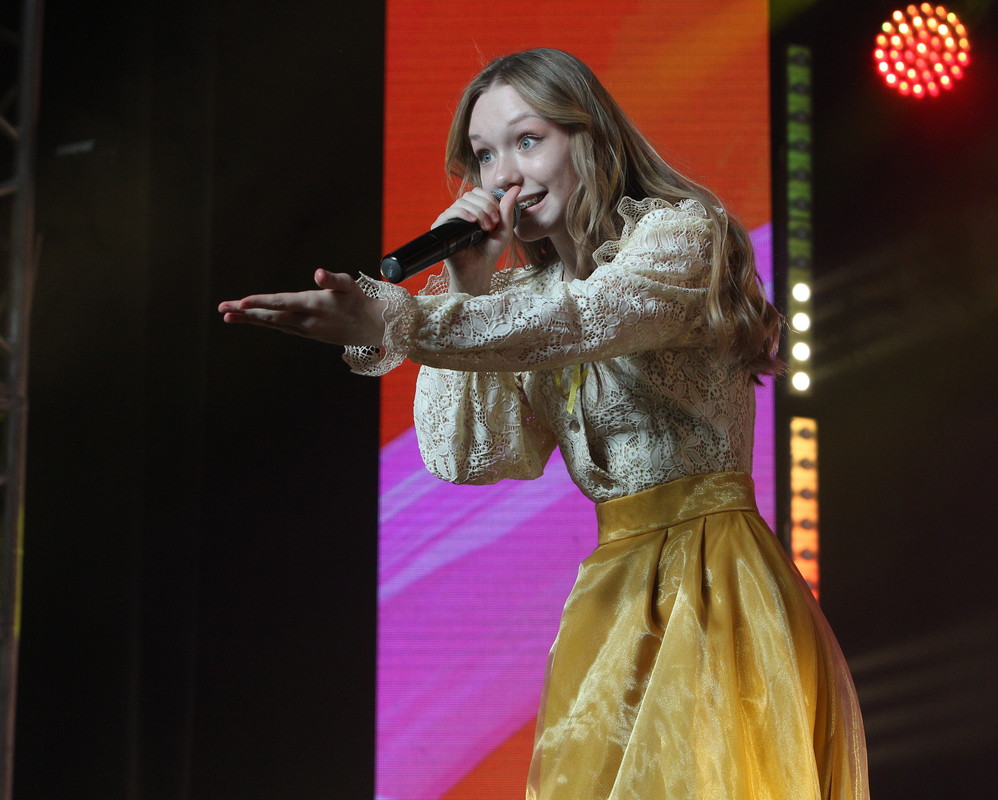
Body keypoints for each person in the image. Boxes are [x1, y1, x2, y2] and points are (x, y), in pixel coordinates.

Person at [219, 48, 869, 800]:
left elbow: (584, 319)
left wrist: (397, 321)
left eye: (527, 141)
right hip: (615, 594)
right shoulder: (527, 297)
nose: (504, 176)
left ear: (589, 138)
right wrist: (467, 280)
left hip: (712, 578)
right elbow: (475, 455)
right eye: (485, 155)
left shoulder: (681, 237)